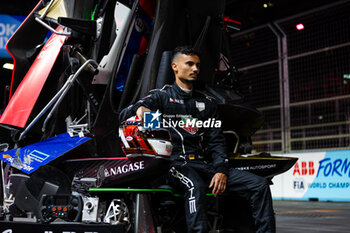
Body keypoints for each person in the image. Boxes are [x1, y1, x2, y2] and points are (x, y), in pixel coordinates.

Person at [120, 46, 276, 233]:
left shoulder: (207, 103)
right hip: (174, 165)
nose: (195, 69)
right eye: (190, 64)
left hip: (204, 165)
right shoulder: (161, 97)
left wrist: (221, 171)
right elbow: (124, 114)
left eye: (197, 65)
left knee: (259, 185)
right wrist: (140, 110)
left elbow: (217, 141)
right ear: (175, 67)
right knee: (196, 186)